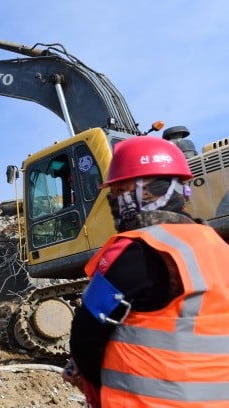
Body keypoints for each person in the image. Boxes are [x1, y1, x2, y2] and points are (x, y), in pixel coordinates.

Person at [62, 136, 229, 407]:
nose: (114, 201)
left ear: (148, 190)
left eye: (119, 191)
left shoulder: (136, 251)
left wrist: (93, 387)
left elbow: (85, 335)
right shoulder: (217, 244)